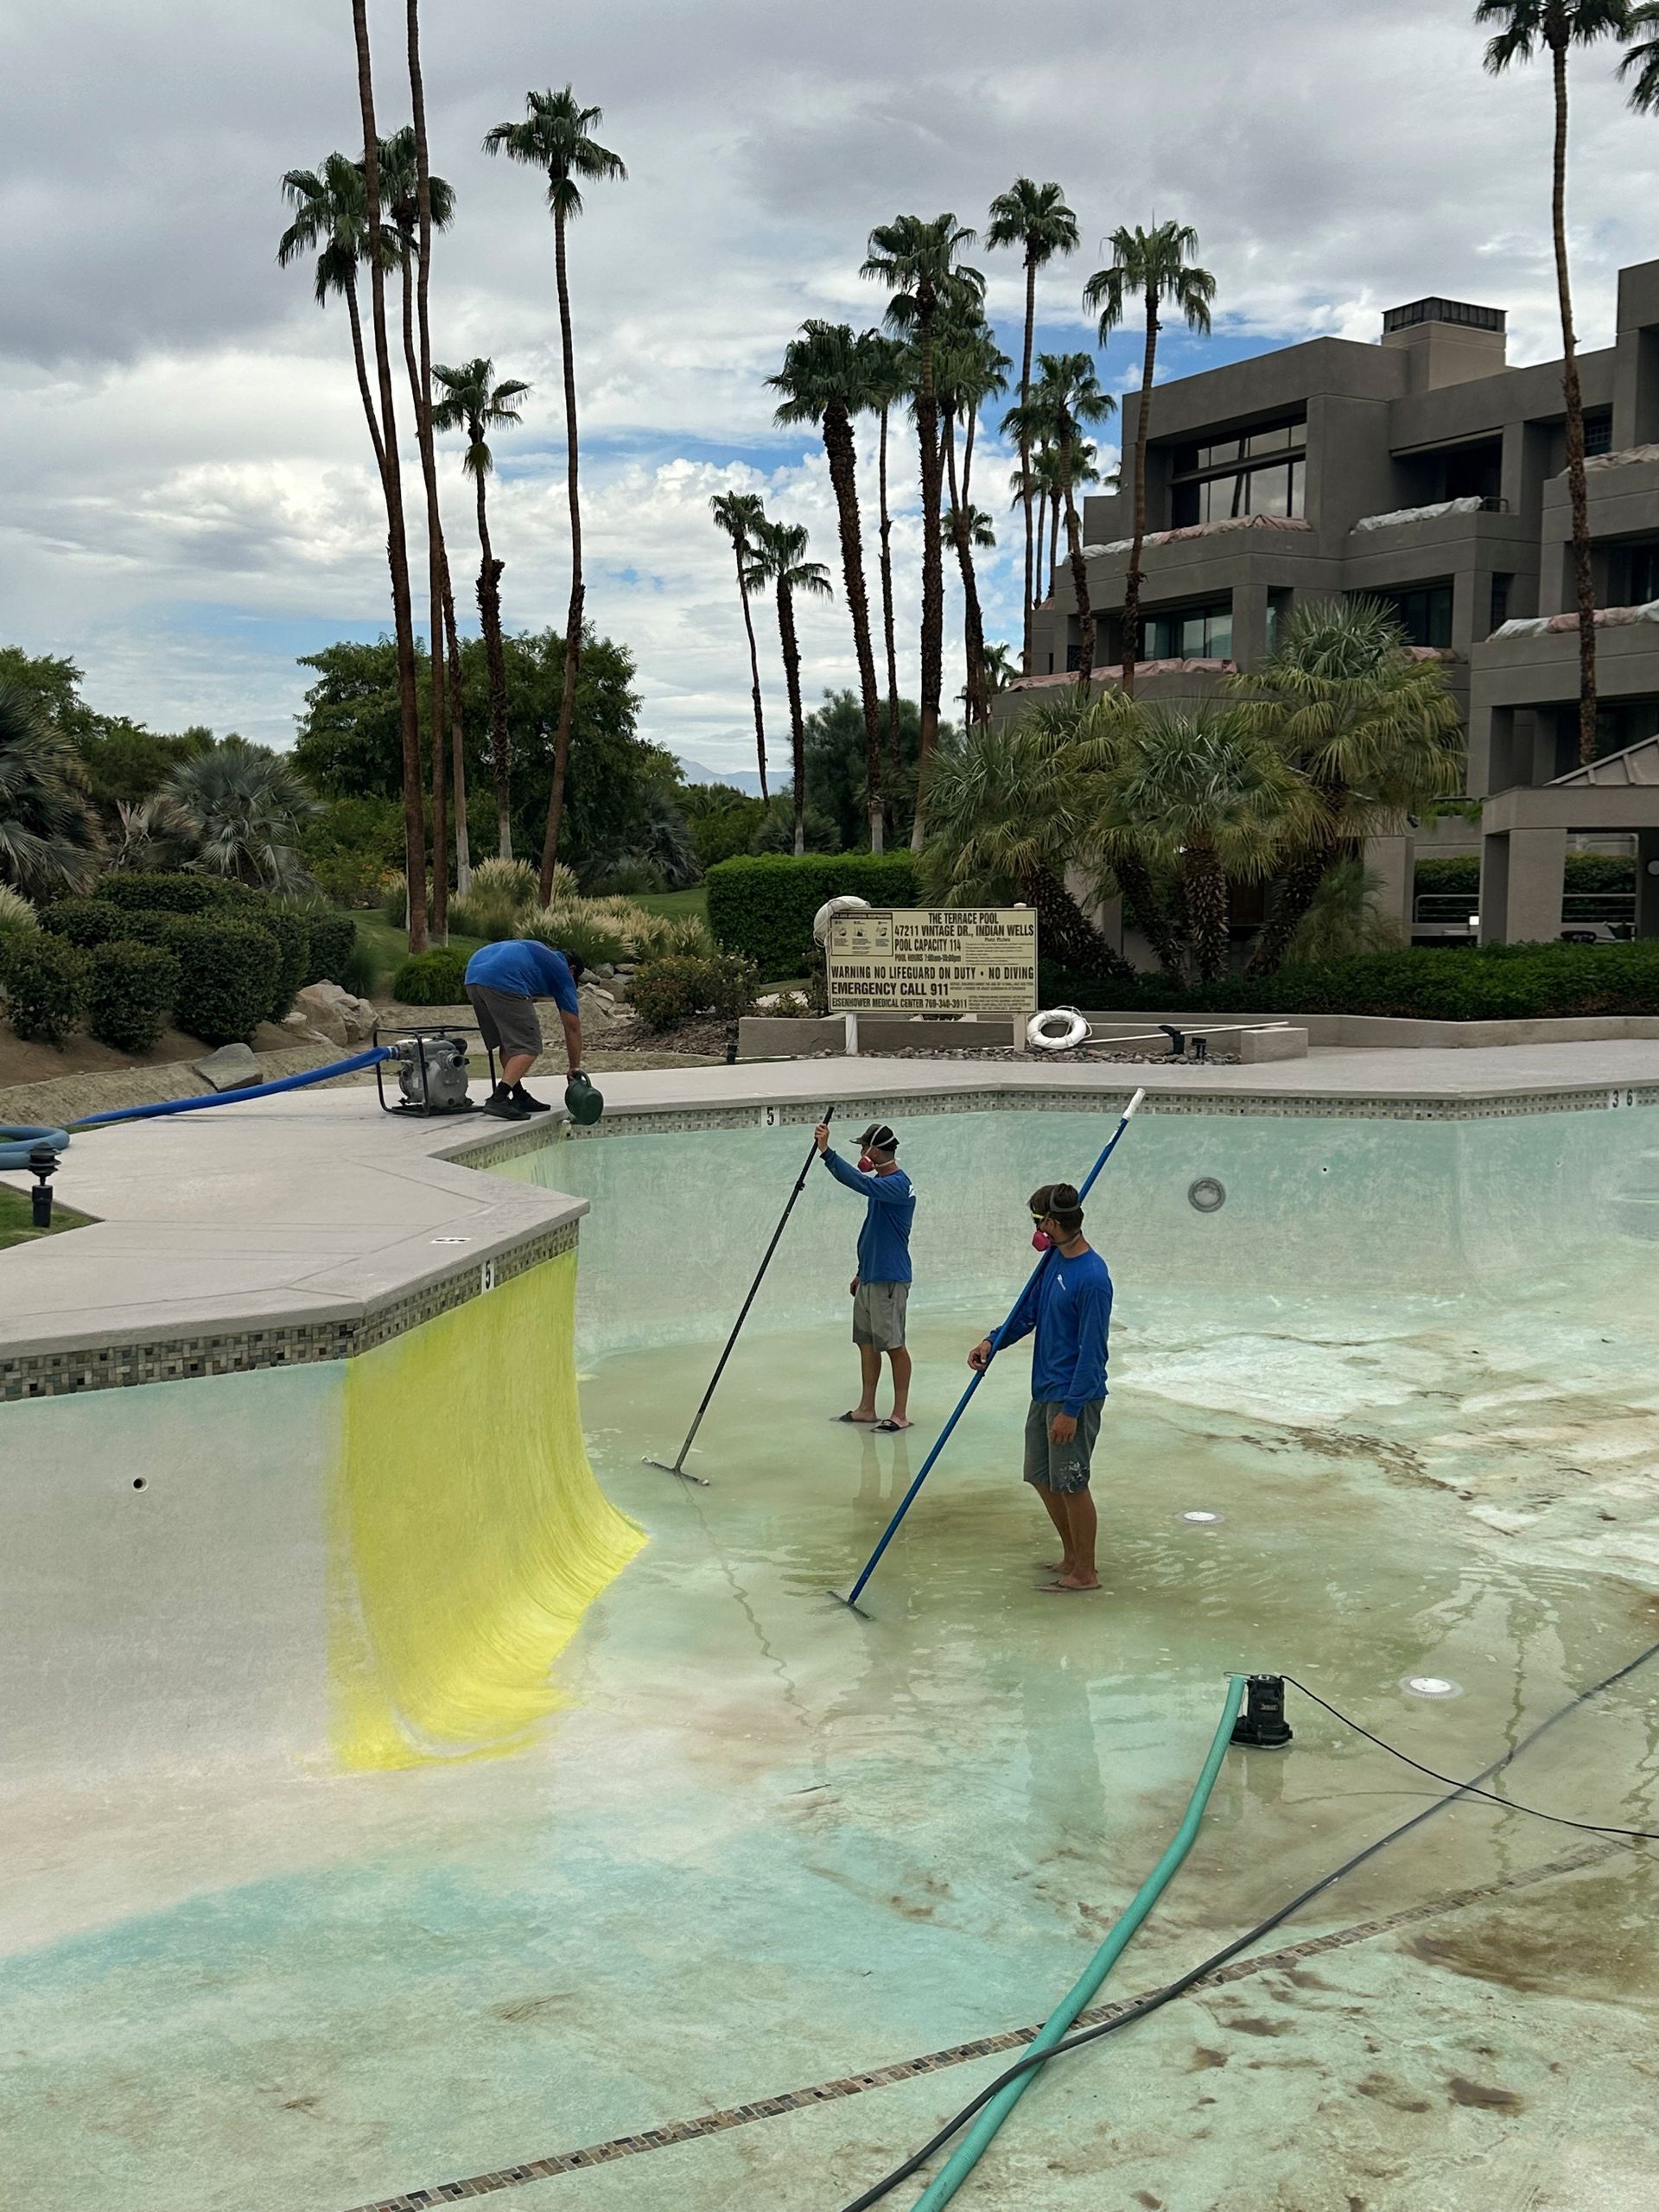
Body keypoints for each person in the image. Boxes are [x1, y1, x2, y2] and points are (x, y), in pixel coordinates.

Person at [969, 1181, 1112, 1592]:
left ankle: (1086, 1572)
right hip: (1045, 1388)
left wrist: (1071, 1409)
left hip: (1073, 1396)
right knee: (1042, 1476)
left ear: (1051, 1222)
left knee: (1071, 1481)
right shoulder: (1052, 1261)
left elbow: (1092, 1353)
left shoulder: (1093, 1278)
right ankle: (1071, 1555)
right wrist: (992, 1341)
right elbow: (1027, 1313)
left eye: (1037, 1221)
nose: (1036, 1230)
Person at [814, 1120, 915, 1431]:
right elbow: (873, 1233)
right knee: (867, 1344)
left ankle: (900, 1414)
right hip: (871, 1276)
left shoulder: (896, 1185)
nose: (860, 1152)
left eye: (862, 1146)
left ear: (874, 1151)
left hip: (889, 1279)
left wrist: (827, 1153)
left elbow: (862, 1184)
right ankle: (866, 1408)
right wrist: (861, 1271)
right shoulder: (883, 1185)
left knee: (894, 1345)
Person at [462, 938, 586, 1121]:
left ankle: (519, 1096)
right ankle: (499, 1098)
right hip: (503, 979)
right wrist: (574, 1067)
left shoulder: (541, 952)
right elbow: (572, 1027)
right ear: (572, 969)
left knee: (509, 1042)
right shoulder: (562, 973)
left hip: (473, 976)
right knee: (528, 1046)